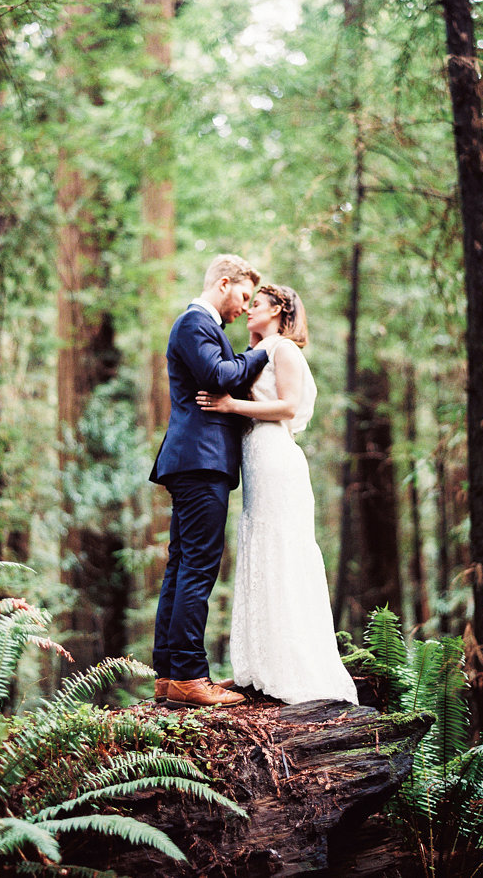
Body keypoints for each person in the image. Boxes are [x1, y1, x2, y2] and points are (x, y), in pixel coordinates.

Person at [197, 284, 358, 705]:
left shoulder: (284, 350)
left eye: (258, 305)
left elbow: (288, 407)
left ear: (280, 310)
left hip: (274, 456)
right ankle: (257, 667)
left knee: (280, 548)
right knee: (259, 547)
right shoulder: (259, 349)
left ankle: (293, 666)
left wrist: (232, 407)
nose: (249, 311)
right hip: (255, 459)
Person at [150, 254, 270, 709]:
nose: (243, 308)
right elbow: (220, 376)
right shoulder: (194, 323)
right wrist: (263, 351)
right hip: (200, 460)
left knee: (182, 564)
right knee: (197, 566)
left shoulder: (202, 326)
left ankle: (169, 675)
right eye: (242, 296)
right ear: (224, 284)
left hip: (193, 460)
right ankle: (187, 675)